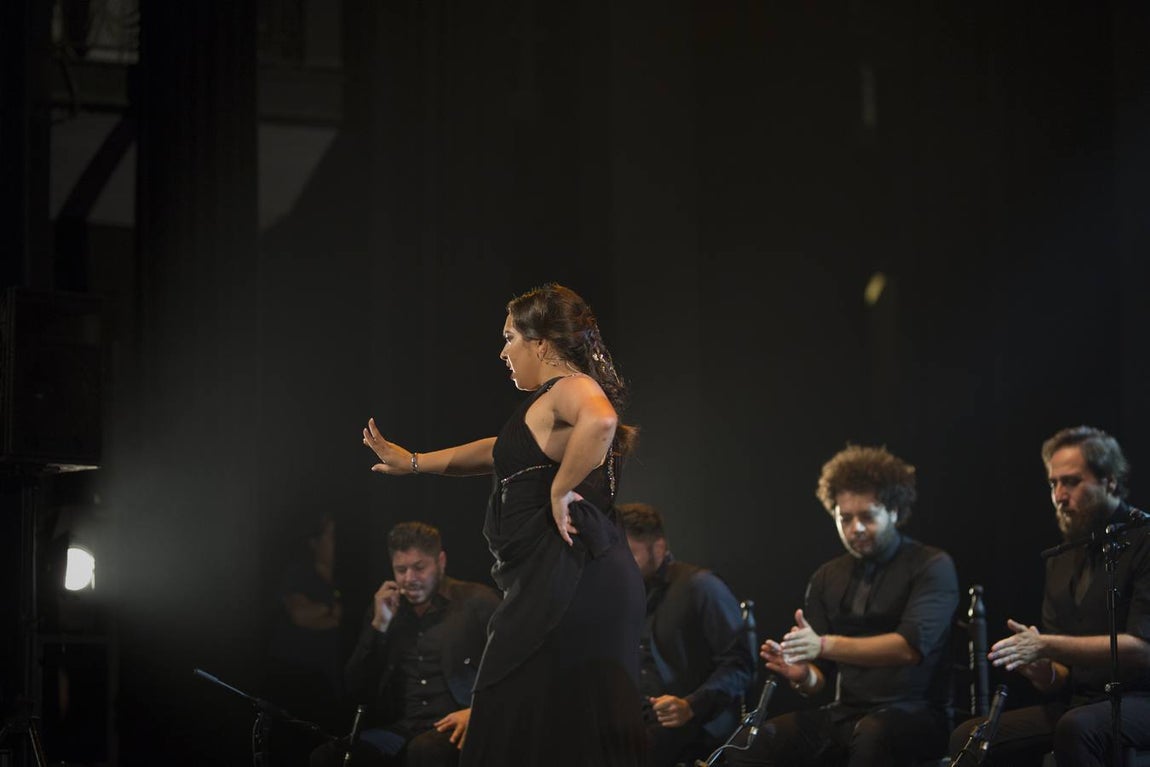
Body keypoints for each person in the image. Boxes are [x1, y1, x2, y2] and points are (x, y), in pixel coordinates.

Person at [360, 283, 648, 767]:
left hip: (569, 580)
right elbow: (495, 452)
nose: (503, 351)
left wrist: (561, 490)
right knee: (551, 726)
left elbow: (601, 421)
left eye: (510, 337)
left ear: (540, 344)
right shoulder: (546, 406)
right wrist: (413, 461)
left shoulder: (572, 387)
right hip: (568, 578)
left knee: (515, 715)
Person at [728, 445, 959, 767]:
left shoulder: (931, 565)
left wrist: (823, 645)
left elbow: (908, 648)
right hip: (847, 714)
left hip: (917, 714)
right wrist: (803, 675)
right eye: (845, 518)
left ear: (893, 510)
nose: (856, 528)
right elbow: (819, 678)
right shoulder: (827, 576)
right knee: (752, 743)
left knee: (871, 735)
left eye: (867, 516)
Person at [948, 425, 1150, 766]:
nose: (1058, 495)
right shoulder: (1061, 557)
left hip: (1141, 698)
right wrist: (1043, 669)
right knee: (969, 737)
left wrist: (1046, 645)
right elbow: (1063, 675)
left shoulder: (1143, 539)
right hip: (1082, 702)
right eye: (1053, 483)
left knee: (1076, 728)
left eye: (1071, 481)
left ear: (1109, 481)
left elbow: (1142, 649)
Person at [308, 521, 500, 767]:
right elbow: (356, 689)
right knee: (326, 757)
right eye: (401, 569)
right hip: (402, 729)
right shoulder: (386, 607)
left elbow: (512, 668)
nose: (409, 578)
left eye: (419, 568)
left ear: (440, 562)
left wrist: (477, 711)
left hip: (457, 722)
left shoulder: (477, 601)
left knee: (425, 751)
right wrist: (379, 626)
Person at [618, 501, 756, 767]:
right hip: (645, 723)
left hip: (699, 726)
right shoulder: (627, 594)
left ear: (658, 547)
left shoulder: (701, 587)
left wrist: (691, 705)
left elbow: (740, 665)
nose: (622, 566)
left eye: (630, 555)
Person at [265, 512, 346, 739]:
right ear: (314, 541)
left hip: (327, 676)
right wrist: (328, 609)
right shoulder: (299, 572)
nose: (336, 542)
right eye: (331, 536)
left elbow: (336, 619)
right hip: (296, 676)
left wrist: (323, 611)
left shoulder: (339, 578)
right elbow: (300, 615)